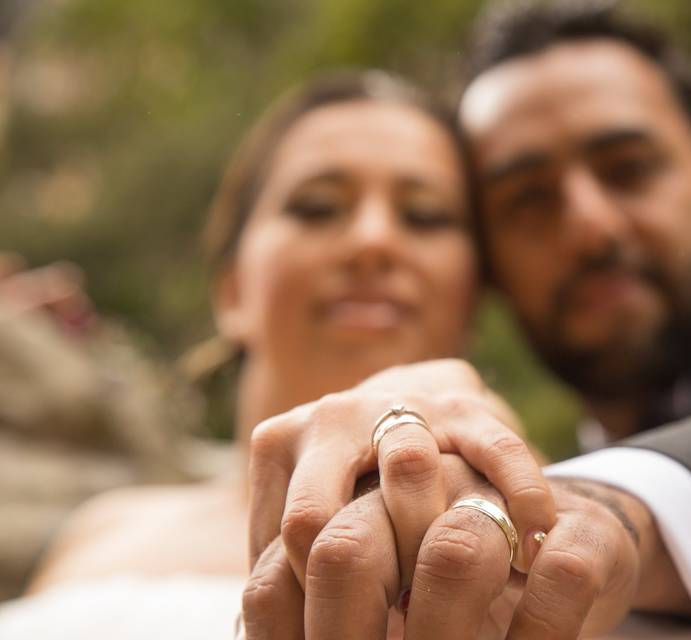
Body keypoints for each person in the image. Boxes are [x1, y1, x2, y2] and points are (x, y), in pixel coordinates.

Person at [239, 2, 691, 639]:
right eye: (527, 200)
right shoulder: (496, 509)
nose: (589, 226)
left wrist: (621, 512)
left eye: (628, 169)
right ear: (491, 270)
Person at [0, 69, 531, 638]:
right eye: (318, 207)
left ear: (474, 301)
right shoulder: (99, 527)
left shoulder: (535, 536)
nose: (374, 239)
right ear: (231, 290)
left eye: (424, 216)